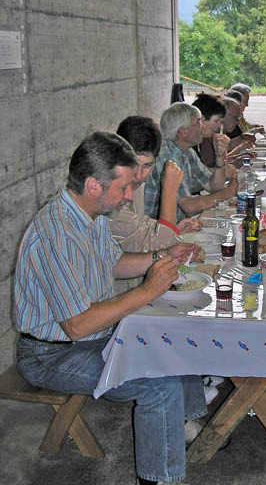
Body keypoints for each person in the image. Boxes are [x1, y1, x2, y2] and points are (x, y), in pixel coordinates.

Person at [14, 131, 206, 485]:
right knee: (157, 385)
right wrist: (148, 290)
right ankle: (159, 478)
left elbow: (113, 264)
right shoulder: (57, 234)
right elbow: (77, 325)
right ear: (93, 185)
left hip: (91, 337)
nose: (130, 195)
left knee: (174, 334)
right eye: (124, 187)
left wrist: (162, 255)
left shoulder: (92, 216)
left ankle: (188, 425)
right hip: (51, 355)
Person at [110, 116, 202, 294]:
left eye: (147, 165)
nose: (138, 175)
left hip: (135, 288)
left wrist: (175, 228)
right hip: (118, 296)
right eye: (133, 164)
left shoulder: (134, 185)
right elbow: (160, 249)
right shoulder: (111, 196)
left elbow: (139, 226)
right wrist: (169, 190)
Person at [144, 103, 237, 221]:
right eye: (198, 123)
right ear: (182, 131)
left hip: (179, 224)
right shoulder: (166, 157)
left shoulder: (186, 151)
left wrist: (219, 157)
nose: (202, 127)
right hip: (155, 228)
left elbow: (213, 186)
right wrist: (230, 192)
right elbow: (188, 206)